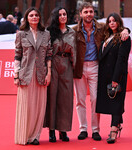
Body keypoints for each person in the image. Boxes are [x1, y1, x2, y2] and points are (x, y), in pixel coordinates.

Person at [72, 2, 129, 141]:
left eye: (91, 11)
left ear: (94, 13)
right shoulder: (74, 30)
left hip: (95, 67)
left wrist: (126, 30)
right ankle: (83, 129)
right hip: (79, 67)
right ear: (81, 14)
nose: (89, 14)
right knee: (80, 100)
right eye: (86, 12)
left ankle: (95, 130)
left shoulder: (101, 27)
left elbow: (116, 27)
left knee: (95, 99)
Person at [14, 7, 52, 145]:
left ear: (39, 18)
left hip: (41, 74)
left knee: (39, 106)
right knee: (26, 106)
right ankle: (24, 135)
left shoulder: (46, 34)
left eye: (36, 15)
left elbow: (49, 54)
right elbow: (17, 55)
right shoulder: (21, 35)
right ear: (27, 18)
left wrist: (49, 72)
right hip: (25, 74)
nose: (34, 17)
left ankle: (35, 136)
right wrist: (16, 75)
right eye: (31, 15)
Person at [96, 13, 131, 144]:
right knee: (113, 101)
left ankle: (113, 130)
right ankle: (118, 123)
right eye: (109, 21)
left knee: (116, 102)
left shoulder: (124, 37)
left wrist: (116, 78)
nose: (111, 23)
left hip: (118, 75)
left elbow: (122, 59)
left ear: (119, 22)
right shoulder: (106, 36)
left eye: (114, 21)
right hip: (105, 75)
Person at [44, 7, 76, 142]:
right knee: (52, 97)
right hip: (53, 63)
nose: (63, 16)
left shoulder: (72, 32)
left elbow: (75, 51)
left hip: (67, 64)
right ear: (55, 17)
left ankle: (63, 130)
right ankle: (51, 130)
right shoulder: (49, 32)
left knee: (66, 98)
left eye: (64, 14)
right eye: (60, 14)